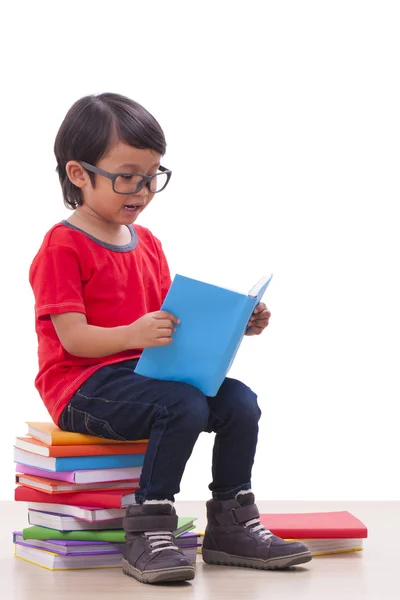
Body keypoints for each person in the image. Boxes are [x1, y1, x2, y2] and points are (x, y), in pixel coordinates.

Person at [29, 93, 312, 585]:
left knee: (240, 401)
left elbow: (172, 324)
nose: (141, 190)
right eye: (126, 176)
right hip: (82, 385)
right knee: (182, 405)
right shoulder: (62, 245)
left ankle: (231, 522)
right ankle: (150, 527)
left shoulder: (149, 244)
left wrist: (236, 323)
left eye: (151, 176)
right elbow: (73, 340)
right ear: (79, 174)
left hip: (144, 377)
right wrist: (132, 333)